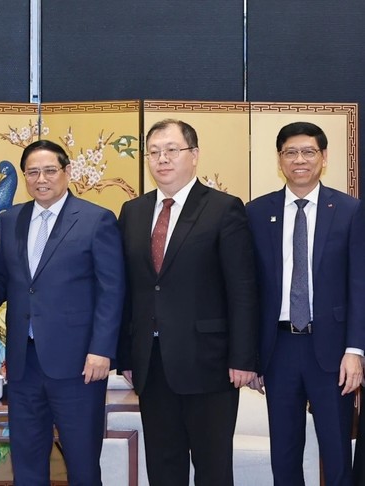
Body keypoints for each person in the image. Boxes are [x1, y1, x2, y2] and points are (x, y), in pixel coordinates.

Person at [0, 139, 124, 485]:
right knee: (26, 463)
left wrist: (101, 350)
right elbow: (2, 277)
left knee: (83, 465)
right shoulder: (10, 220)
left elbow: (112, 291)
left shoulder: (96, 219)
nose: (41, 179)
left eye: (50, 170)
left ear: (67, 172)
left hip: (79, 366)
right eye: (33, 172)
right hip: (23, 364)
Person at [117, 119, 258, 486]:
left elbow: (242, 288)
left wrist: (243, 358)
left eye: (172, 150)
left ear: (194, 155)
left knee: (213, 469)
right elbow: (128, 290)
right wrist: (126, 355)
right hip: (151, 363)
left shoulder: (223, 208)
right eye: (154, 152)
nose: (162, 159)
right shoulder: (132, 211)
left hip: (209, 363)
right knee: (163, 467)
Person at [247, 121, 365, 485]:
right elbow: (249, 290)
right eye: (291, 152)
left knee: (336, 452)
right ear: (280, 159)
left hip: (332, 351)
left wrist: (355, 350)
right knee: (284, 454)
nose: (300, 160)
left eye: (309, 152)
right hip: (278, 349)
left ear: (324, 157)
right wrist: (251, 356)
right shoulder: (256, 212)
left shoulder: (349, 210)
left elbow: (359, 284)